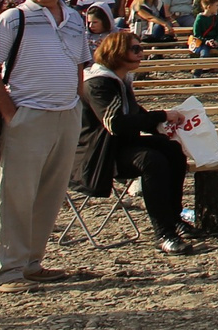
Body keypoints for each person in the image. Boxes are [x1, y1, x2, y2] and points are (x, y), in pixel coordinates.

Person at [0, 0, 97, 289]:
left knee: (50, 192)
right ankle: (3, 271)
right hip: (28, 112)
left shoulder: (75, 19)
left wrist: (75, 104)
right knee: (15, 192)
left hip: (66, 112)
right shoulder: (12, 20)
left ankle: (30, 261)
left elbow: (78, 66)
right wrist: (12, 116)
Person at [77, 32, 194, 253]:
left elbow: (135, 114)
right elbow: (115, 123)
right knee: (152, 160)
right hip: (99, 154)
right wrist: (161, 116)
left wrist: (162, 127)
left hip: (121, 146)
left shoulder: (120, 80)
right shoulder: (98, 83)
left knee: (173, 149)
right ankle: (164, 233)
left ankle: (174, 217)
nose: (142, 53)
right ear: (117, 53)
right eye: (136, 49)